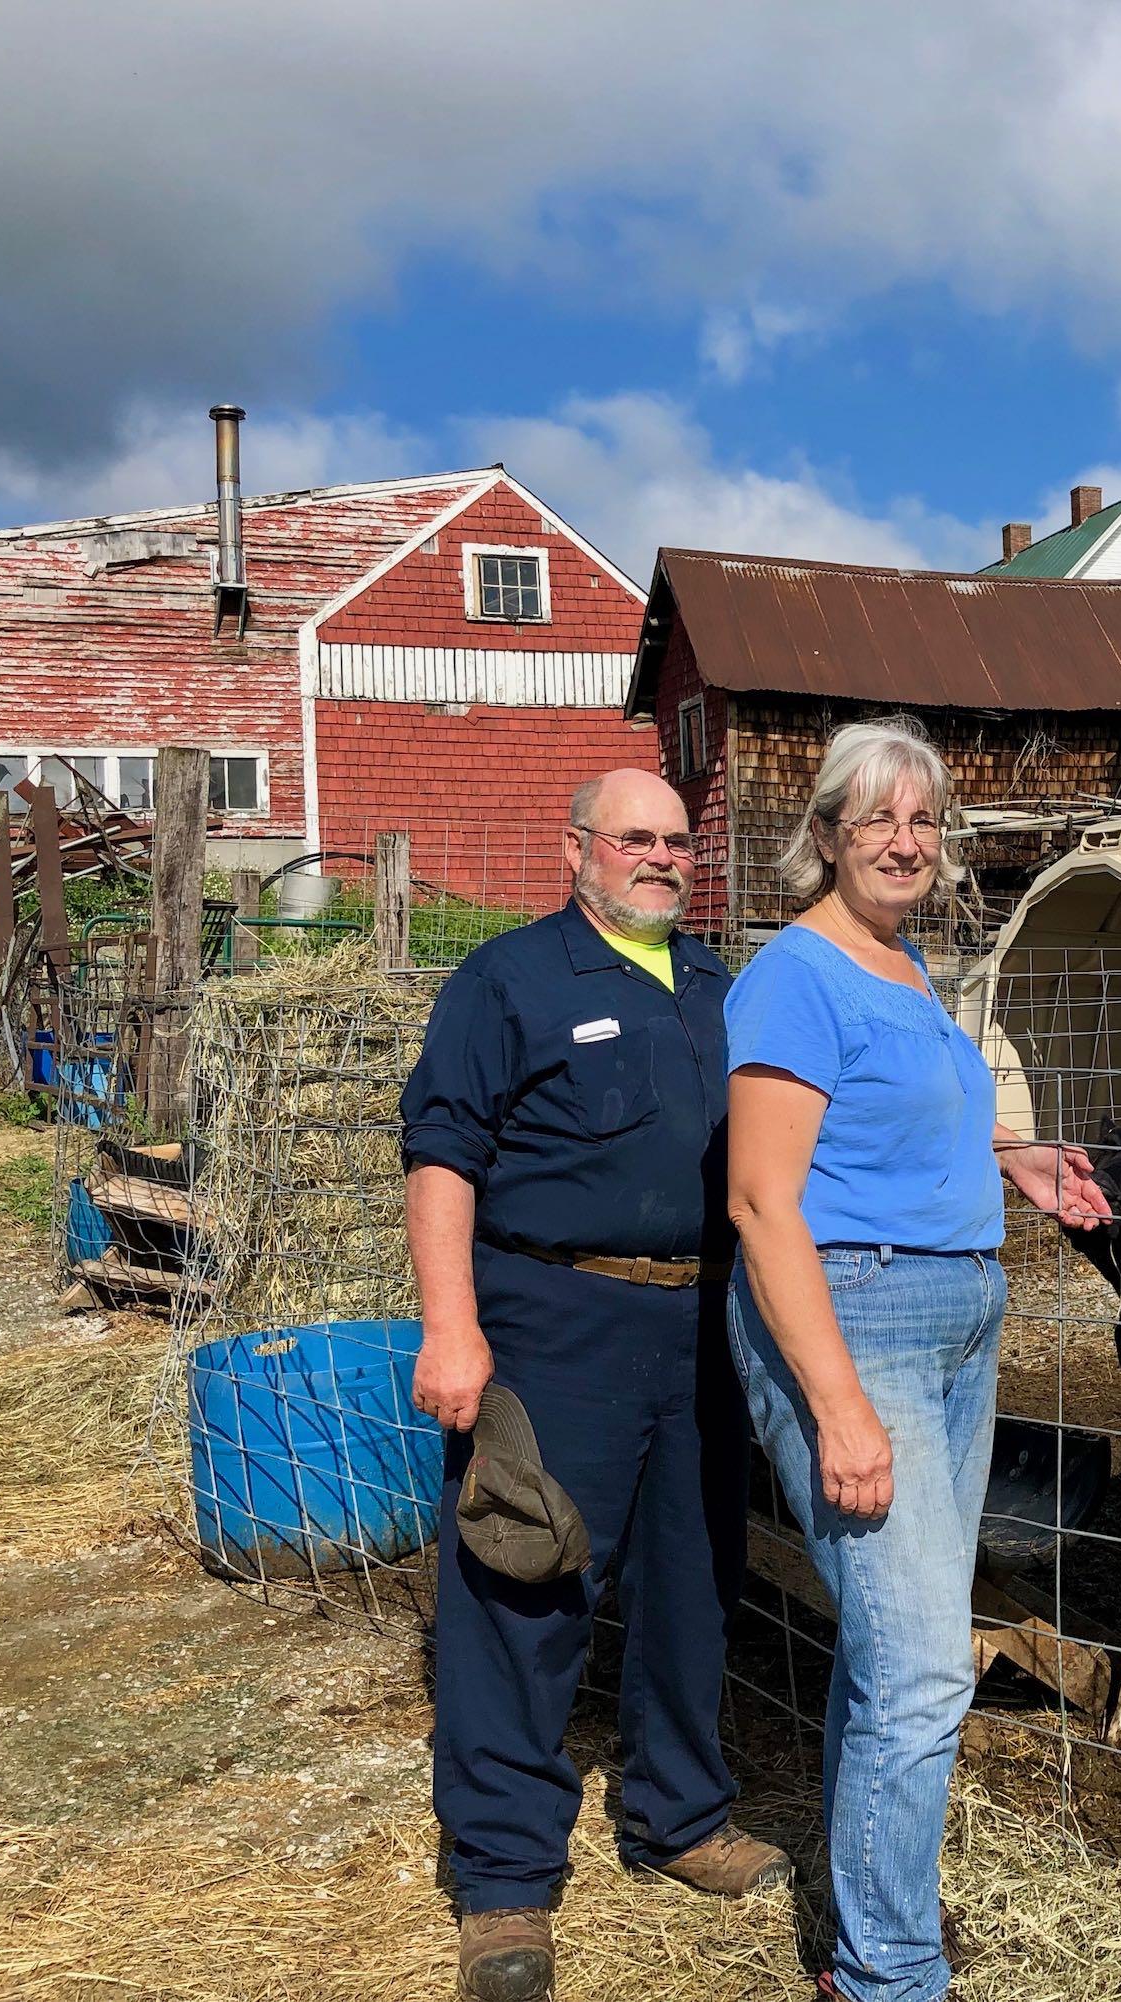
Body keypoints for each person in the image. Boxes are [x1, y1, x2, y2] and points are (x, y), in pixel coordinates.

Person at [724, 717, 1109, 2002]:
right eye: (876, 817)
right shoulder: (795, 974)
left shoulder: (905, 969)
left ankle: (866, 1924)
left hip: (956, 1318)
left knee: (899, 1650)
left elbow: (893, 1125)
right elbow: (765, 1204)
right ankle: (886, 1973)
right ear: (824, 834)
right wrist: (835, 1406)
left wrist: (1015, 1158)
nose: (904, 839)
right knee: (928, 1662)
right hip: (854, 1320)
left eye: (923, 820)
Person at [401, 768, 790, 2002]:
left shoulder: (728, 989)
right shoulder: (508, 979)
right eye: (636, 837)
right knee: (524, 1574)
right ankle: (505, 1879)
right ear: (577, 848)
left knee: (694, 1577)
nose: (661, 857)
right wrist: (450, 1325)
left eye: (678, 840)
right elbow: (442, 1152)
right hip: (552, 1315)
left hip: (704, 1321)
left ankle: (678, 1814)